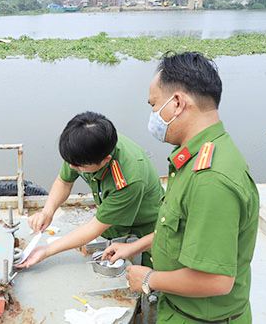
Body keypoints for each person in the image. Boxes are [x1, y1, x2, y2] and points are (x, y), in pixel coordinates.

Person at [103, 52, 259, 323]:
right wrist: (134, 247)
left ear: (176, 103)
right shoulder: (197, 157)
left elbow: (217, 281)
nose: (153, 114)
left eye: (154, 105)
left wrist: (149, 278)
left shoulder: (210, 178)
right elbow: (182, 229)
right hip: (180, 310)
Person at [17, 111, 163, 268]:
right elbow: (64, 181)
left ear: (105, 160)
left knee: (142, 273)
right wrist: (47, 212)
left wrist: (46, 251)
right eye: (70, 162)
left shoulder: (128, 179)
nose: (73, 167)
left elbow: (95, 227)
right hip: (109, 219)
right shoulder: (84, 146)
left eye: (79, 166)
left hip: (144, 230)